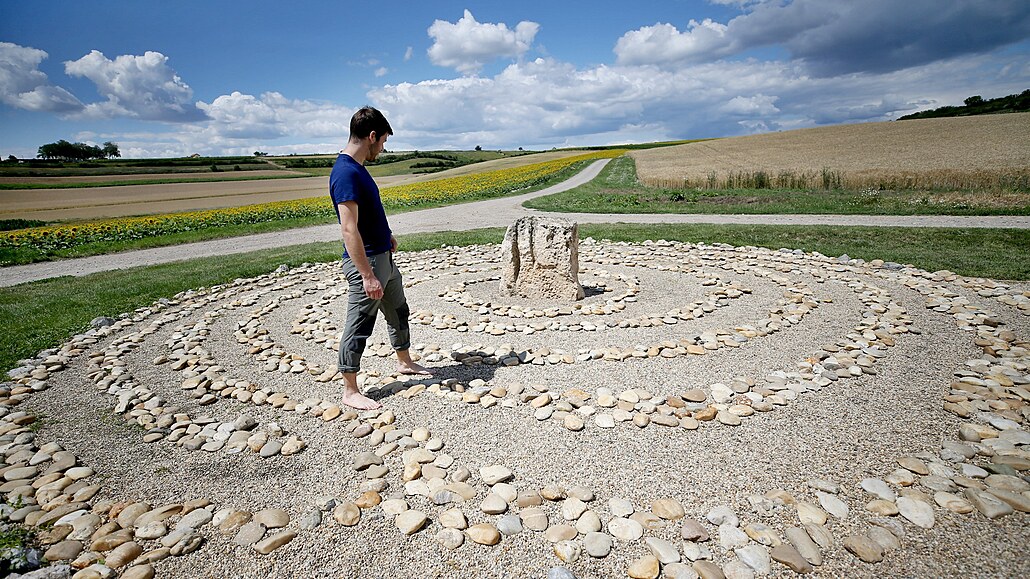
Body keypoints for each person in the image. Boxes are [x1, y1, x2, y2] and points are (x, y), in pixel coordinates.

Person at [330, 106, 430, 410]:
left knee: (398, 310)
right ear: (371, 136)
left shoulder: (358, 168)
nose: (383, 148)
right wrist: (367, 275)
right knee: (360, 322)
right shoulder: (346, 172)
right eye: (383, 142)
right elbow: (349, 229)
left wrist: (386, 235)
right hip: (369, 263)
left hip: (382, 255)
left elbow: (367, 217)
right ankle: (350, 389)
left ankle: (404, 361)